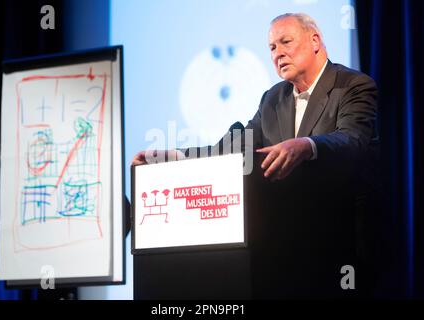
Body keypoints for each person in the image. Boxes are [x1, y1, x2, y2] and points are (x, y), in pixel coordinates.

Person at [132, 13, 378, 299]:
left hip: (339, 247)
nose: (278, 53)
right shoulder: (273, 98)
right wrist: (173, 156)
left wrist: (306, 145)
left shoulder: (353, 85)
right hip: (283, 253)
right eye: (272, 48)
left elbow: (352, 140)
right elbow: (238, 147)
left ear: (315, 41)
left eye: (286, 42)